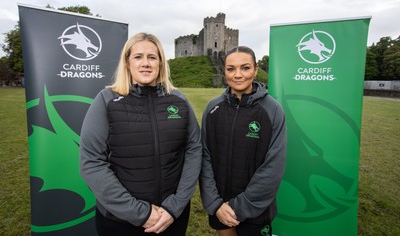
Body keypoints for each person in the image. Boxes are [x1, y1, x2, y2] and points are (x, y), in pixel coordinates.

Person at [80, 32, 202, 236]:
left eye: (152, 57)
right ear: (127, 63)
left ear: (161, 63)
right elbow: (92, 162)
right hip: (119, 221)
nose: (145, 63)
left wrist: (175, 205)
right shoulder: (106, 100)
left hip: (171, 217)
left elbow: (194, 149)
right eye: (138, 57)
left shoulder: (179, 100)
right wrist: (141, 213)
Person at [200, 46, 286, 236]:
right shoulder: (213, 108)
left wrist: (240, 206)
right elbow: (204, 157)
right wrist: (215, 203)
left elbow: (273, 167)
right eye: (231, 69)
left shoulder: (272, 110)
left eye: (245, 68)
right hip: (220, 207)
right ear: (224, 71)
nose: (238, 75)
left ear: (255, 70)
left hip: (256, 209)